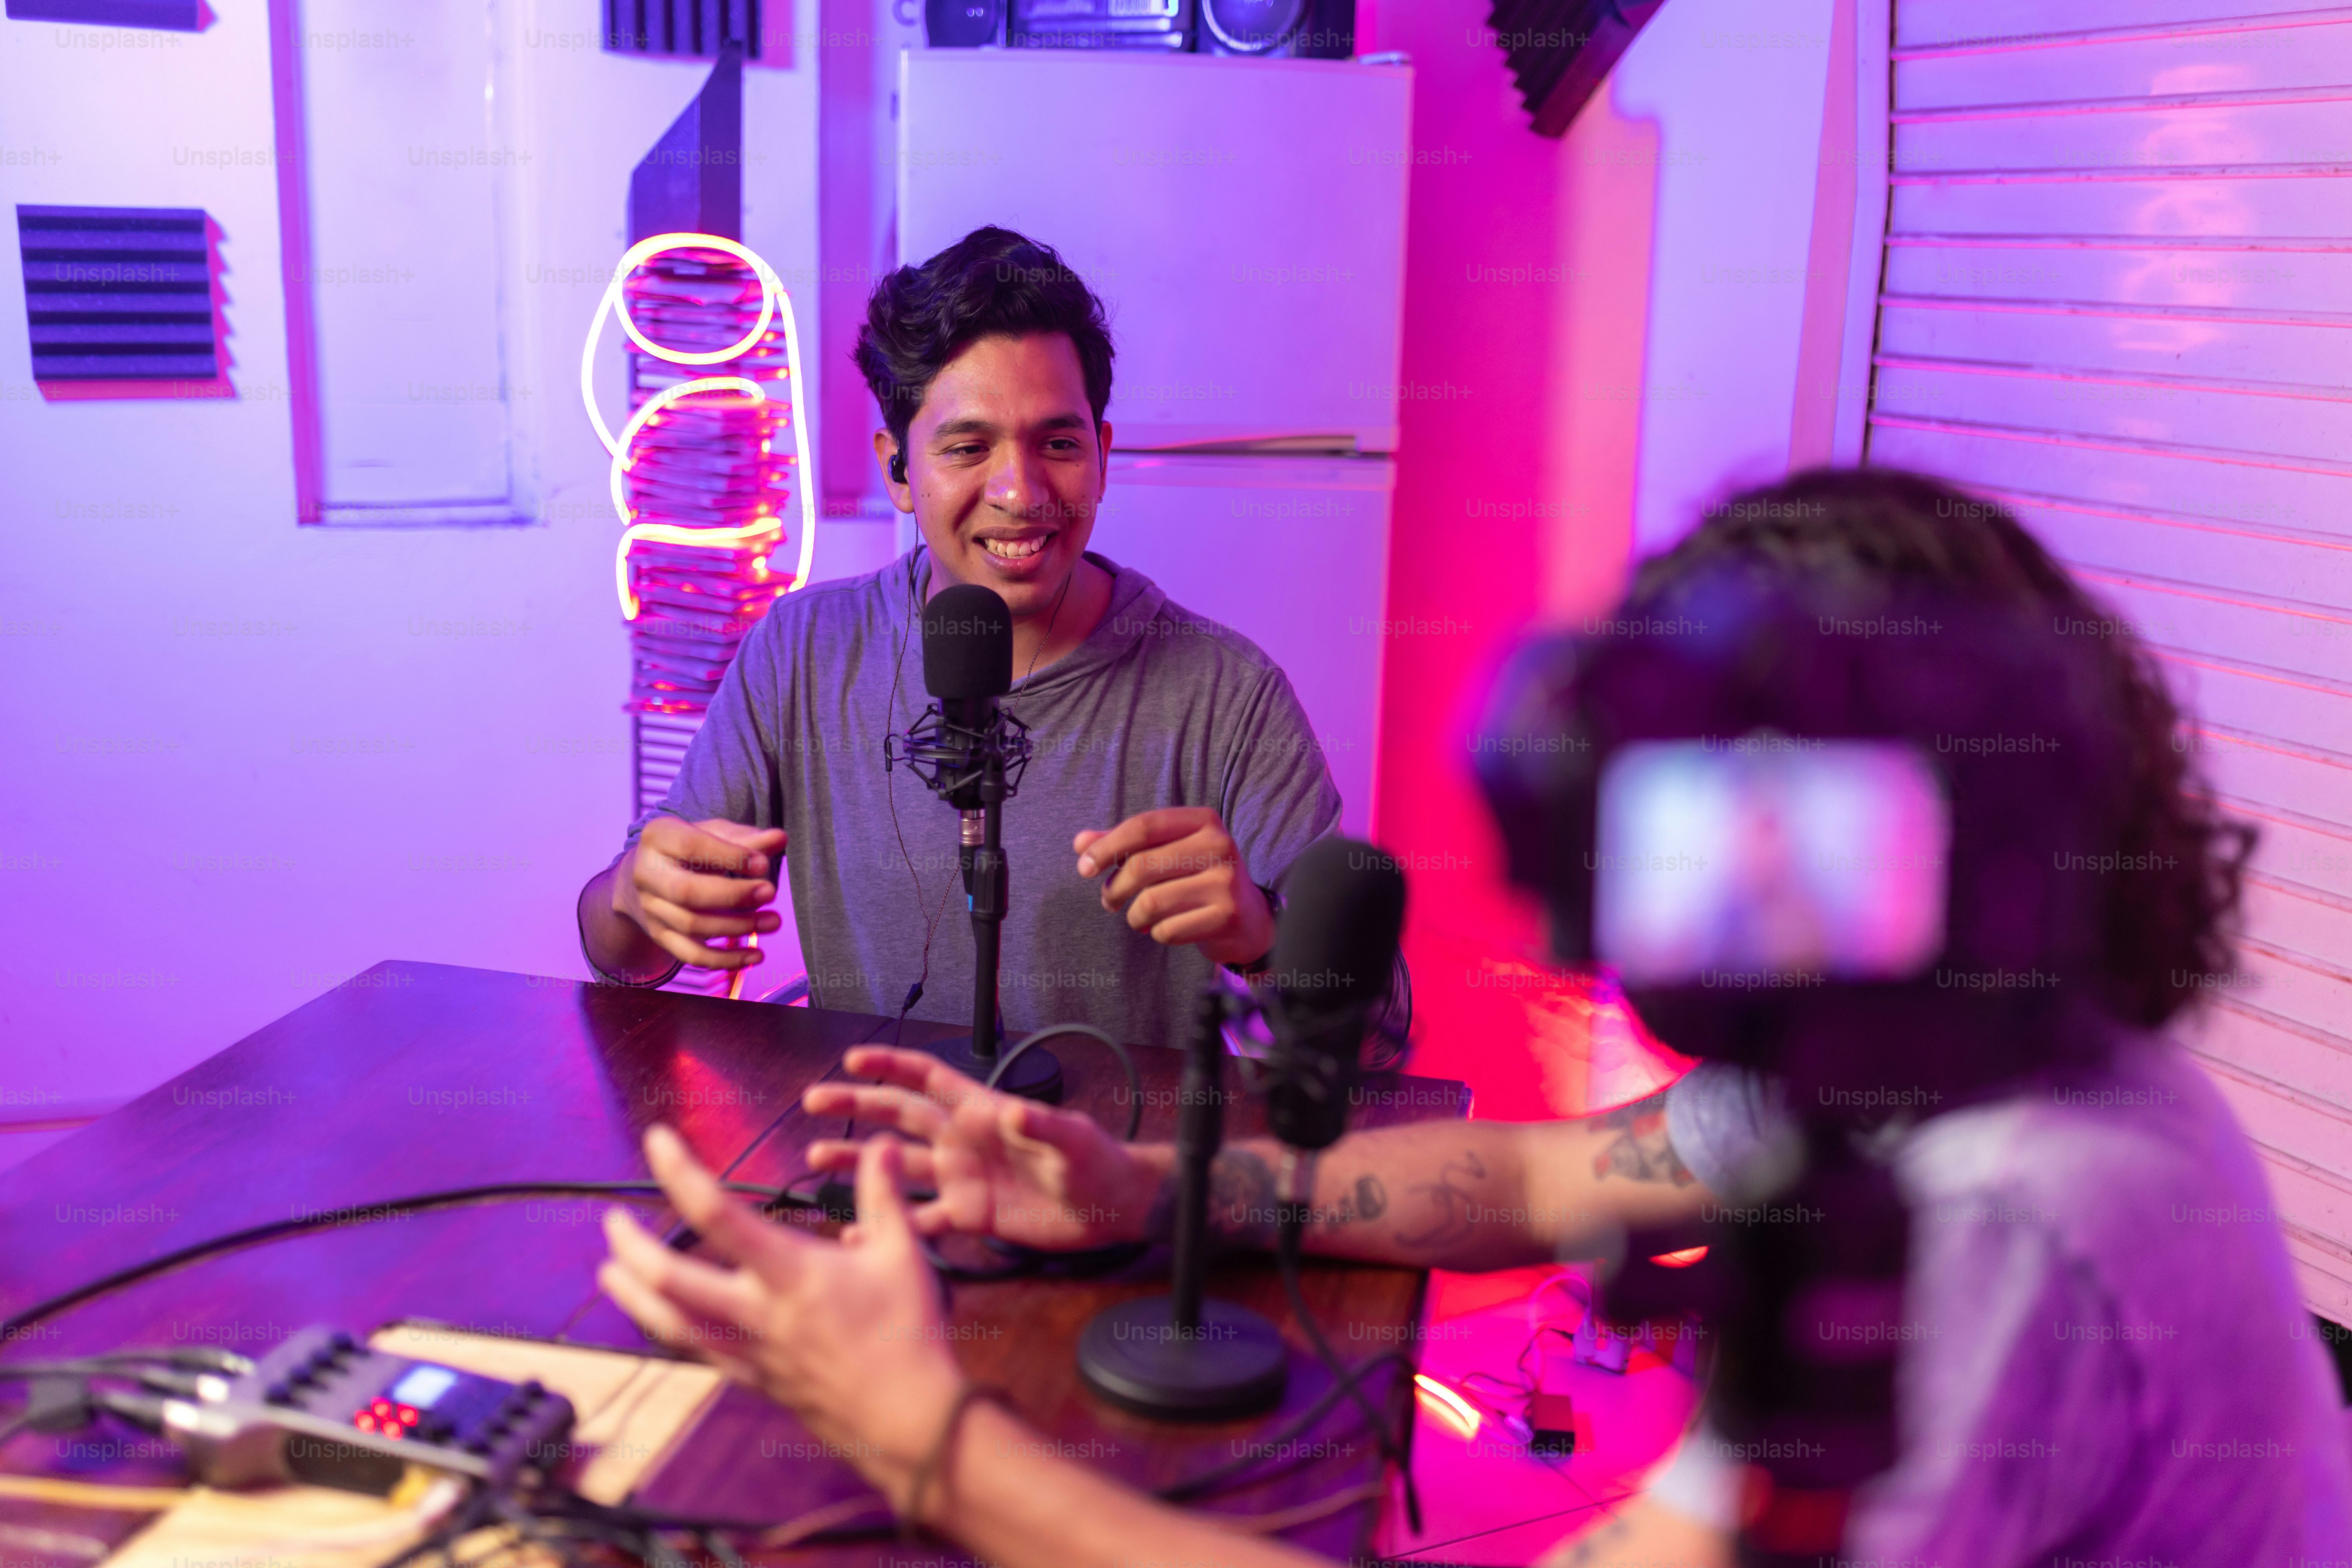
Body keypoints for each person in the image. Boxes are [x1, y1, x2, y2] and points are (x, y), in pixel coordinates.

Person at [595, 468, 2352, 1568]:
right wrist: (1146, 1190)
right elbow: (1548, 1177)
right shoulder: (1930, 1051)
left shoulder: (2013, 1215)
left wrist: (921, 1436)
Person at [576, 226, 1347, 1050]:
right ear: (899, 470)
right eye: (969, 448)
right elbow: (624, 957)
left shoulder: (1228, 694)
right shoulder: (800, 654)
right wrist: (633, 898)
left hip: (1113, 1136)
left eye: (1059, 444)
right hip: (871, 1128)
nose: (1020, 492)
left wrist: (1265, 940)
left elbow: (1376, 1032)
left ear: (1102, 456)